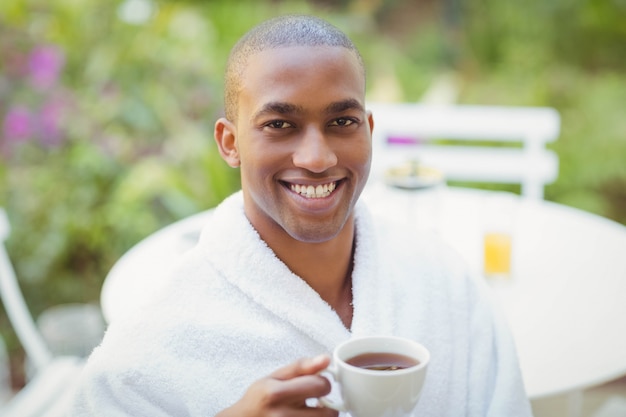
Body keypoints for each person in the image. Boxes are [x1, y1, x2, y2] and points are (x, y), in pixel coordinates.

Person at [68, 14, 532, 416]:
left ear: (368, 130)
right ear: (230, 143)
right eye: (279, 125)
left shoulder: (446, 287)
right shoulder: (153, 343)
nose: (316, 156)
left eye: (342, 122)